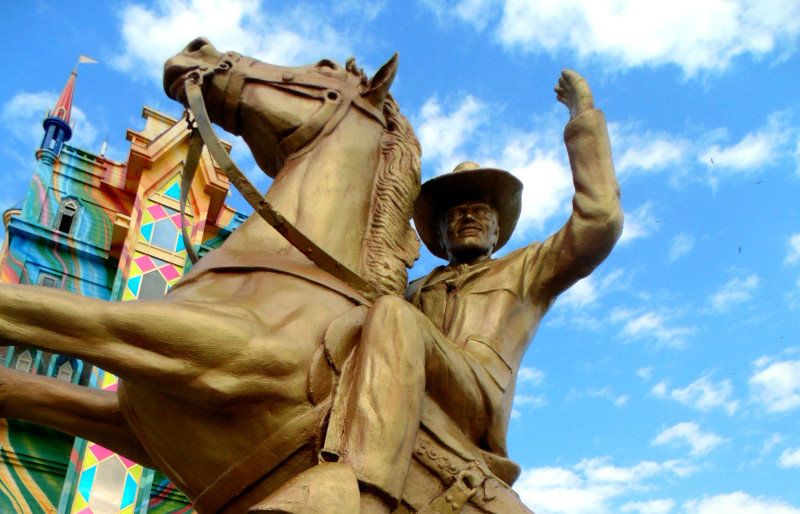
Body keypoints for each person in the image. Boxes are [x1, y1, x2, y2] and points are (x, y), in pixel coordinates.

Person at [320, 69, 624, 513]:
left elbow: (599, 222)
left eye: (480, 211)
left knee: (390, 314)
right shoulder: (414, 290)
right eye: (456, 212)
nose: (468, 217)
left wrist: (583, 117)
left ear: (499, 229)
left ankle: (368, 497)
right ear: (439, 234)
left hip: (477, 399)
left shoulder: (526, 270)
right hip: (414, 387)